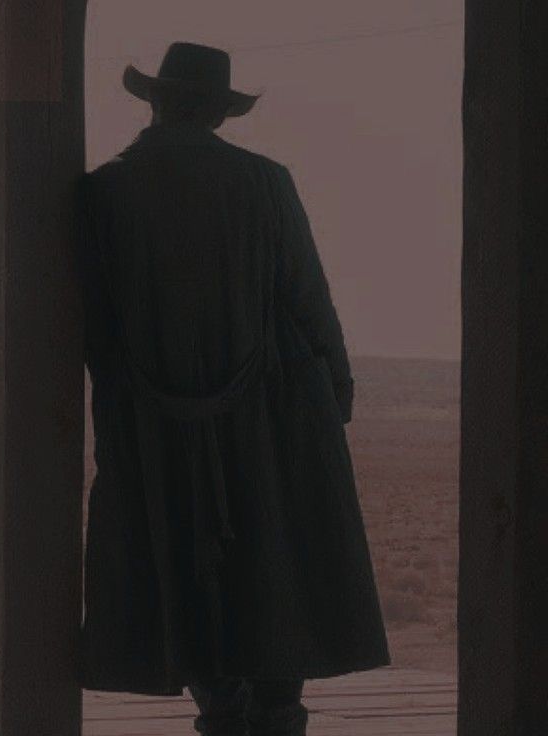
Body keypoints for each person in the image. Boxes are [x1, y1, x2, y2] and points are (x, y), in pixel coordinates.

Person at [76, 41, 391, 736]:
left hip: (155, 420)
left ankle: (221, 709)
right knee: (276, 554)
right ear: (220, 114)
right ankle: (277, 713)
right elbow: (308, 298)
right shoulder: (265, 182)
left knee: (181, 554)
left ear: (156, 102)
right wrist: (334, 393)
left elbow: (93, 323)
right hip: (274, 410)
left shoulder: (105, 191)